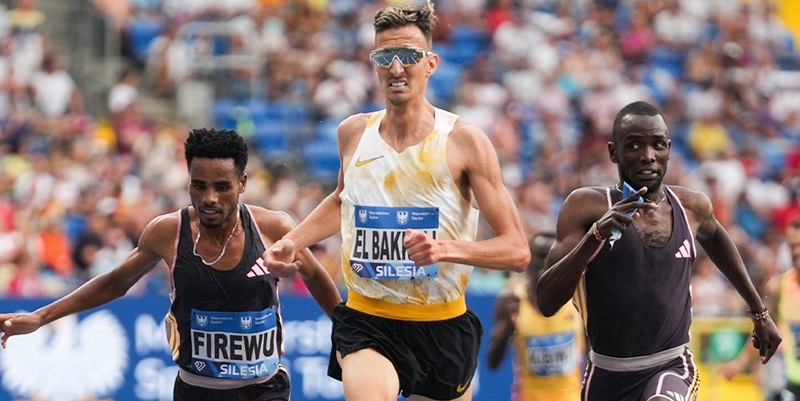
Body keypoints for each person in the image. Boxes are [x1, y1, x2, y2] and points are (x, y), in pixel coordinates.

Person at [263, 2, 530, 401]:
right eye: (385, 56)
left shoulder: (464, 141)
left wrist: (443, 249)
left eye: (408, 56)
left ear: (431, 63)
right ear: (373, 63)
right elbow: (341, 200)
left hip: (441, 323)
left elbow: (517, 250)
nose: (396, 67)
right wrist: (293, 242)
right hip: (369, 319)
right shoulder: (353, 132)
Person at [0, 128, 342, 401]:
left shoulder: (272, 228)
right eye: (199, 185)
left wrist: (349, 331)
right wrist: (41, 317)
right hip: (196, 390)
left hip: (265, 389)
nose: (209, 197)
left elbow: (314, 275)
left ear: (242, 184)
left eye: (222, 187)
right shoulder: (167, 232)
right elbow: (115, 282)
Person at [535, 100, 782, 401]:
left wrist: (759, 312)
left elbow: (717, 239)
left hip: (671, 365)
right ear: (614, 152)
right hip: (606, 373)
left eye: (658, 145)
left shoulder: (691, 206)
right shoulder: (586, 206)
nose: (648, 157)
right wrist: (595, 236)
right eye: (635, 146)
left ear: (669, 149)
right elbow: (546, 302)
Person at [486, 231, 584, 401]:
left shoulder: (577, 297)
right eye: (538, 256)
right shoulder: (512, 300)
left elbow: (593, 353)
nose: (542, 264)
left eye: (549, 257)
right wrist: (509, 327)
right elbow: (492, 362)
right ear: (528, 259)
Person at [720, 217, 800, 400]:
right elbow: (764, 328)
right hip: (789, 380)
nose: (795, 252)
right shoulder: (779, 286)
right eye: (791, 246)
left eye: (799, 245)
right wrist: (741, 362)